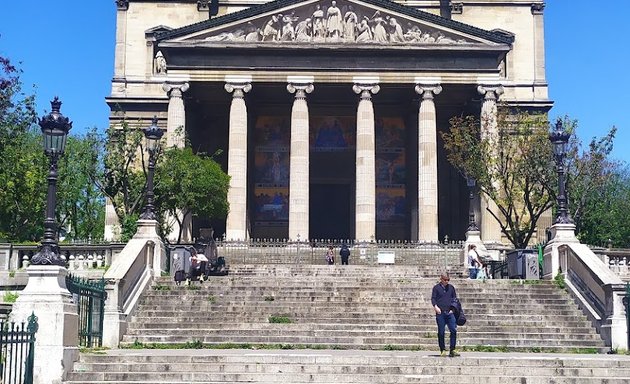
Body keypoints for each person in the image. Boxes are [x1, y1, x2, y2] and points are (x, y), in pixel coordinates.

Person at [431, 273, 460, 357]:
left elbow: (454, 299)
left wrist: (453, 309)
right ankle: (442, 349)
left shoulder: (451, 288)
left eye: (448, 280)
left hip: (450, 313)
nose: (447, 281)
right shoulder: (436, 288)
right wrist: (435, 307)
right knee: (441, 332)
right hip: (440, 313)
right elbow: (433, 298)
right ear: (441, 279)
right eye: (445, 280)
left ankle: (452, 349)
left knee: (453, 330)